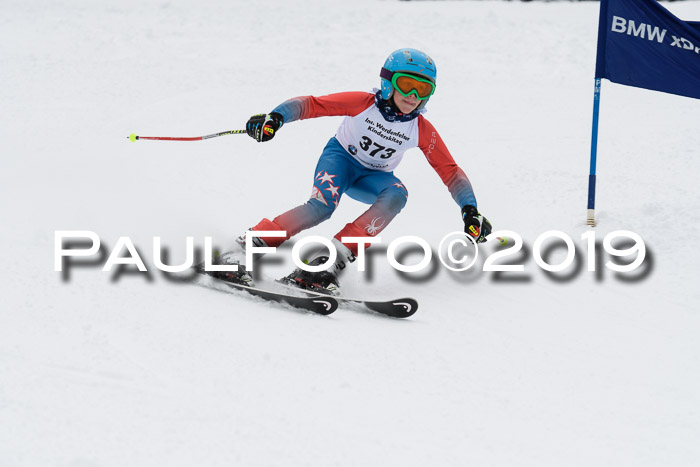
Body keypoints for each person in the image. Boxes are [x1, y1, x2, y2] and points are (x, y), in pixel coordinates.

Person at [213, 48, 492, 295]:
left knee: (398, 194)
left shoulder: (421, 130)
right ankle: (241, 250)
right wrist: (274, 118)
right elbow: (312, 104)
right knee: (321, 208)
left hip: (373, 178)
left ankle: (326, 264)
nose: (413, 96)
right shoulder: (363, 103)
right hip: (340, 162)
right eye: (406, 84)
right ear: (387, 82)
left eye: (423, 90)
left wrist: (470, 210)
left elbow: (450, 171)